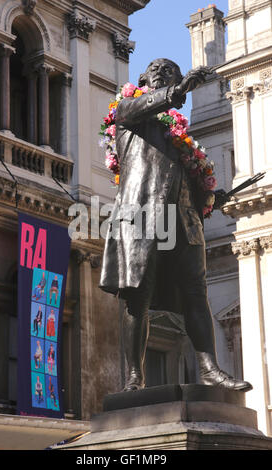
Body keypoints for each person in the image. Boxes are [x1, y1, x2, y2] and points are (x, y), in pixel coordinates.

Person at [99, 58, 252, 393]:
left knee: (197, 295)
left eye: (169, 71)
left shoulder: (181, 137)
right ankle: (135, 377)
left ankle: (210, 369)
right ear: (141, 80)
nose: (160, 72)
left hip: (183, 219)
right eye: (154, 69)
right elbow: (133, 109)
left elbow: (182, 177)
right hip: (141, 215)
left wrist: (211, 199)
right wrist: (178, 88)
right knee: (137, 298)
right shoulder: (128, 111)